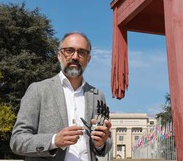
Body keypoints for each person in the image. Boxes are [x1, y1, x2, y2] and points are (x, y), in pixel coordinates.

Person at [10, 31, 112, 161]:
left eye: (81, 52)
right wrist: (54, 141)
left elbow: (106, 145)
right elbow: (17, 141)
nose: (75, 56)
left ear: (88, 59)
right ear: (59, 55)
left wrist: (101, 143)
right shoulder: (38, 90)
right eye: (69, 50)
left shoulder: (98, 95)